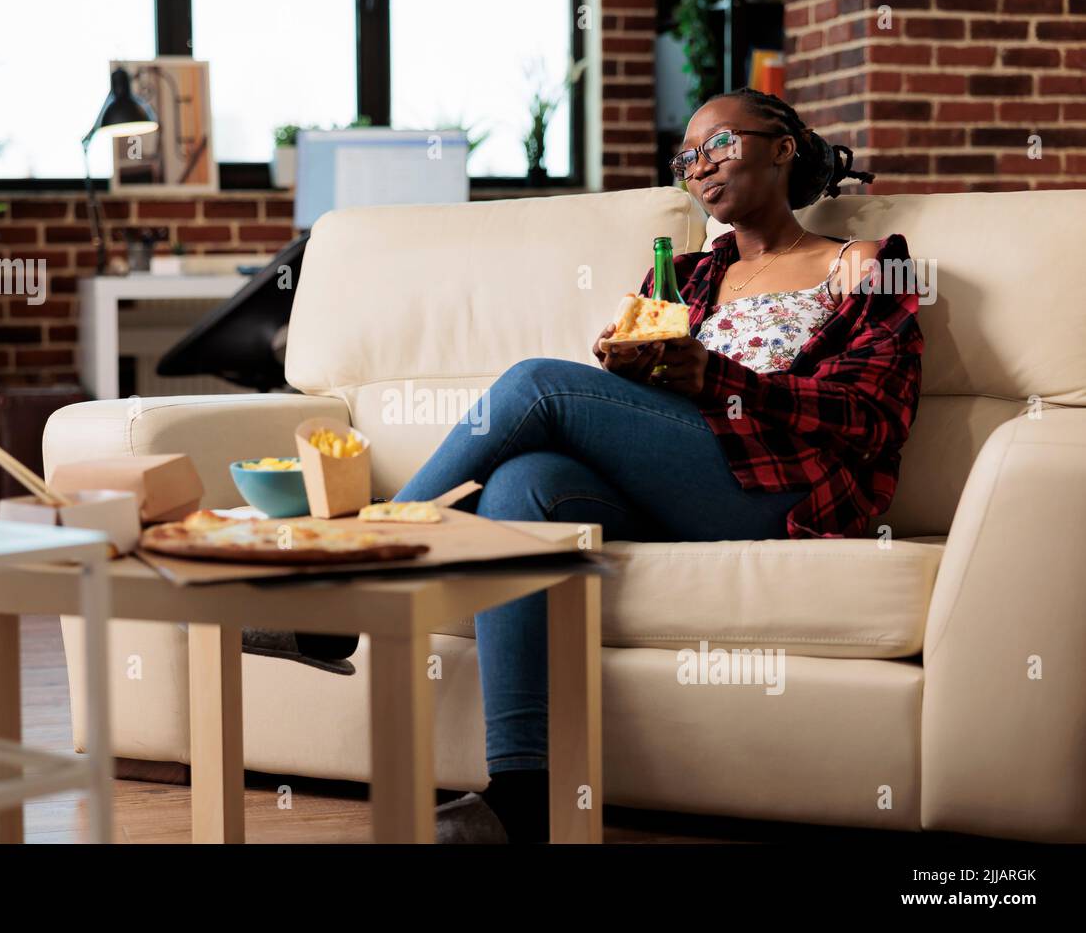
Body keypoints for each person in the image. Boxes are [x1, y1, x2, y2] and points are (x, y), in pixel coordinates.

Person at [386, 86, 926, 843]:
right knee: (523, 485)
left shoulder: (862, 264)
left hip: (780, 488)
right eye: (687, 157)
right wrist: (627, 370)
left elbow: (871, 418)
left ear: (782, 147)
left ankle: (356, 567)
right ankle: (522, 796)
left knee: (536, 385)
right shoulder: (691, 276)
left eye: (720, 146)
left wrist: (718, 379)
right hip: (681, 478)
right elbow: (636, 406)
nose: (700, 166)